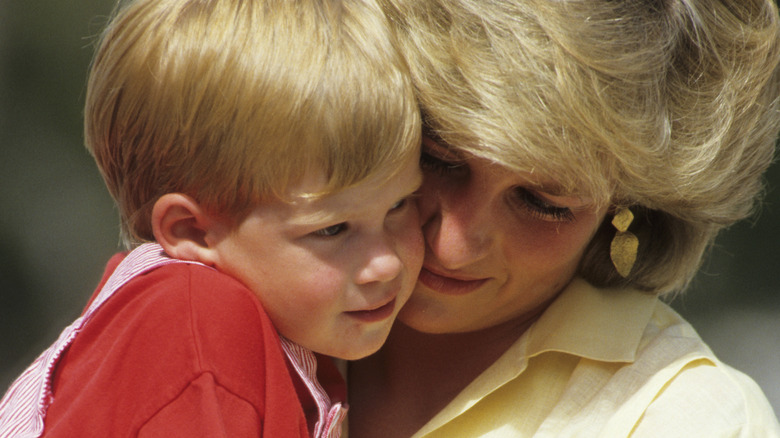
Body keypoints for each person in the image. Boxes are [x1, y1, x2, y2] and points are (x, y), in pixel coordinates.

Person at [348, 0, 780, 436]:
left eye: (542, 203)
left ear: (627, 207)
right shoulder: (278, 281)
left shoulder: (686, 417)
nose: (452, 247)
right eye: (437, 159)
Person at [0, 0, 422, 436]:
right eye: (332, 228)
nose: (386, 262)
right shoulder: (197, 335)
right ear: (192, 230)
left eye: (401, 203)